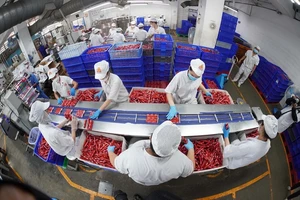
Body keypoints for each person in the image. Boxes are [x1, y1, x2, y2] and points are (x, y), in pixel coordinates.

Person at [107, 121, 195, 186]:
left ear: (150, 137)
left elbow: (115, 162)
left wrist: (110, 152)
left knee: (133, 140)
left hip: (140, 180)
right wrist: (191, 149)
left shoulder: (131, 156)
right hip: (160, 180)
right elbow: (190, 169)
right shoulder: (179, 160)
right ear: (175, 147)